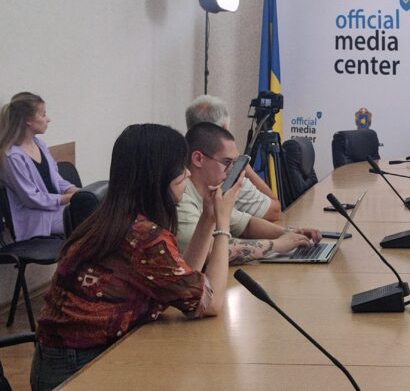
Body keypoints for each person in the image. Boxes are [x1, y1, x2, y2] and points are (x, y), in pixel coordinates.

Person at [30, 124, 243, 390]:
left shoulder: (116, 218)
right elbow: (210, 303)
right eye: (180, 167)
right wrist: (223, 224)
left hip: (64, 359)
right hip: (79, 369)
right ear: (157, 174)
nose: (188, 173)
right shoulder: (142, 237)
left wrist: (209, 217)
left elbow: (182, 281)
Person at [177, 122, 321, 264]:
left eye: (234, 163)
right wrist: (276, 245)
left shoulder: (212, 192)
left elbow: (246, 225)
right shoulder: (181, 197)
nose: (232, 171)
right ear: (198, 159)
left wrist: (291, 233)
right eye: (227, 162)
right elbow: (208, 251)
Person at [185, 95, 281, 221]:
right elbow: (275, 211)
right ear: (224, 129)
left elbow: (240, 222)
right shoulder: (229, 175)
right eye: (226, 162)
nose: (228, 167)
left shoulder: (178, 161)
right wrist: (247, 170)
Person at [0, 92, 78, 241]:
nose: (48, 119)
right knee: (88, 218)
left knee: (94, 208)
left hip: (55, 209)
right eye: (43, 115)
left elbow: (57, 179)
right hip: (36, 217)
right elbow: (32, 199)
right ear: (28, 120)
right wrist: (68, 198)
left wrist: (79, 192)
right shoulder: (12, 157)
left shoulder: (39, 144)